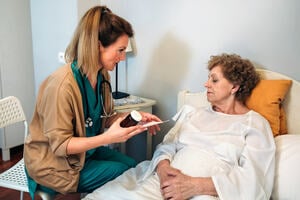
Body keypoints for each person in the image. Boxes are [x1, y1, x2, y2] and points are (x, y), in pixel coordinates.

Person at [82, 53, 276, 200]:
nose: (206, 84)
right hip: (162, 182)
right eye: (208, 78)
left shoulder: (255, 125)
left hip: (207, 193)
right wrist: (163, 167)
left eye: (214, 80)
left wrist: (195, 186)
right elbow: (167, 146)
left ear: (235, 87)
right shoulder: (196, 113)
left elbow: (254, 181)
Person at [24, 5, 161, 199]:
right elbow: (61, 146)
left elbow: (102, 118)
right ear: (98, 46)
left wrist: (133, 118)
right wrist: (109, 138)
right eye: (120, 50)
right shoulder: (61, 86)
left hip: (85, 154)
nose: (122, 58)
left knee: (133, 167)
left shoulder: (102, 75)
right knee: (124, 174)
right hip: (54, 164)